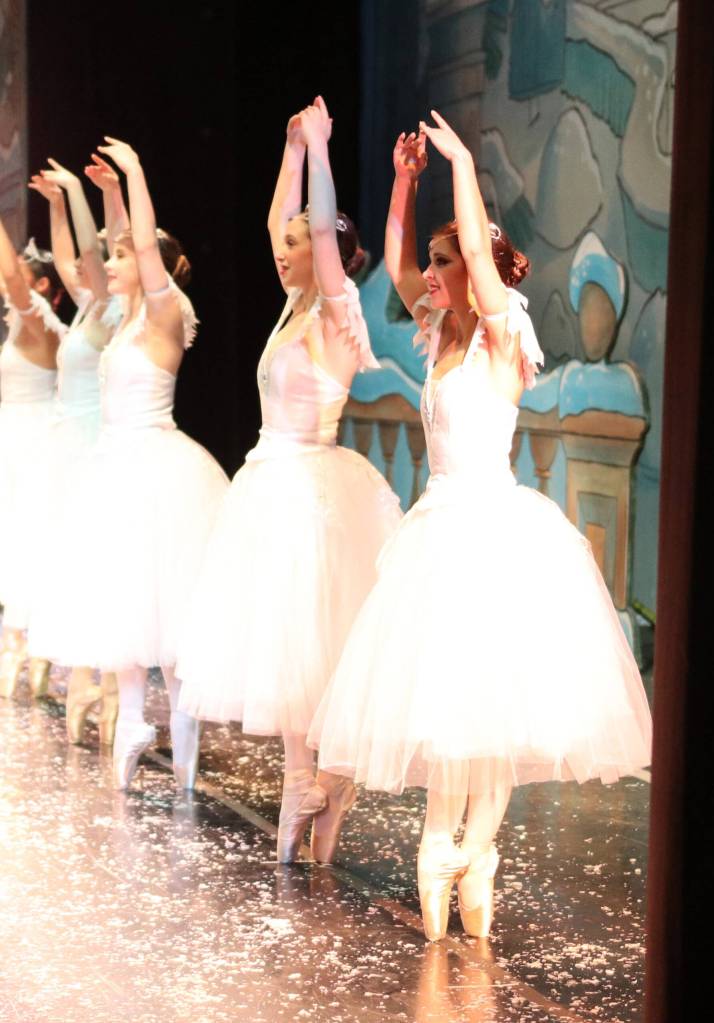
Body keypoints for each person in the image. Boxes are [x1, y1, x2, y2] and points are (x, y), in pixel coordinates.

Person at [309, 113, 652, 940]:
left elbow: (470, 255)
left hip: (497, 530)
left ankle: (480, 851)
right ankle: (440, 851)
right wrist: (400, 182)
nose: (426, 275)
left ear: (472, 269)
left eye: (443, 262)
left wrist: (463, 165)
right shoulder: (438, 335)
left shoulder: (504, 336)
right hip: (441, 530)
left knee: (491, 712)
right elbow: (392, 262)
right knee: (451, 702)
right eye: (431, 263)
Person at [177, 97, 401, 863]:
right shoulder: (289, 309)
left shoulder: (337, 314)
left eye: (300, 242)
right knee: (286, 649)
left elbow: (322, 227)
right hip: (270, 483)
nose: (284, 249)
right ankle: (311, 783)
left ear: (329, 251)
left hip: (311, 491)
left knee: (309, 645)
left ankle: (315, 783)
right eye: (286, 242)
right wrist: (290, 151)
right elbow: (277, 221)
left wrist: (324, 154)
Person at [31, 138, 228, 790]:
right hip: (113, 463)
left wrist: (136, 171)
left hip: (158, 467)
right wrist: (107, 194)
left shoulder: (164, 315)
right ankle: (134, 722)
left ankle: (183, 737)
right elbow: (116, 239)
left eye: (121, 255)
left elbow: (141, 245)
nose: (110, 259)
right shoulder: (120, 319)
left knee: (166, 620)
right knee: (122, 604)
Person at [26, 157, 124, 737]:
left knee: (97, 568)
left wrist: (85, 198)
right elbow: (71, 257)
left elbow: (90, 250)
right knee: (72, 566)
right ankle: (83, 676)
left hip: (95, 445)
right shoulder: (90, 303)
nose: (97, 263)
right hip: (70, 443)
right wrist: (58, 205)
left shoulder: (115, 309)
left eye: (113, 257)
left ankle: (105, 686)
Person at [0, 218, 63, 698]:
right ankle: (20, 643)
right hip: (14, 434)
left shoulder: (40, 321)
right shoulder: (23, 324)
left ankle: (27, 645)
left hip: (31, 441)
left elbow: (13, 280)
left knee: (25, 544)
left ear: (43, 286)